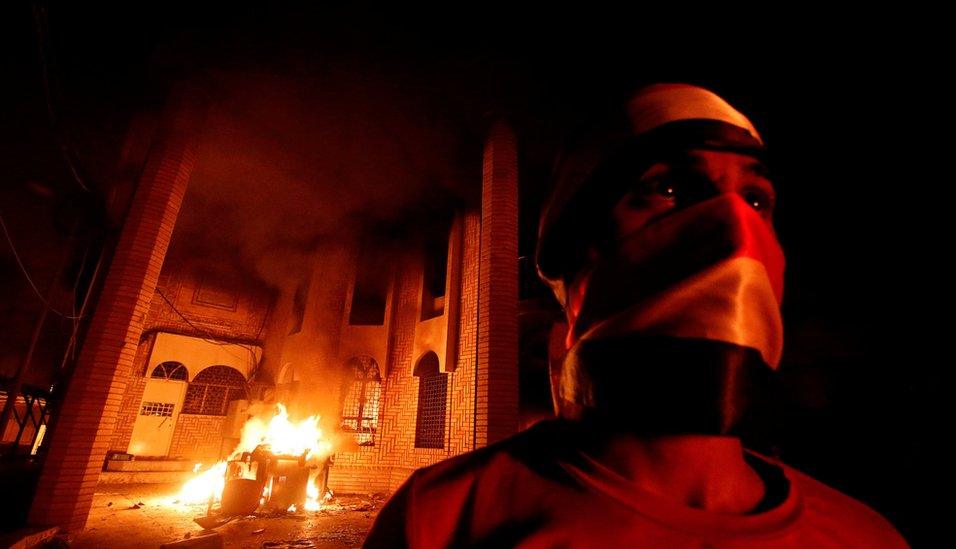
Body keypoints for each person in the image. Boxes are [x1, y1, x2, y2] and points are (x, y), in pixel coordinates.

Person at [363, 83, 908, 547]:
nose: (735, 225)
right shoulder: (441, 523)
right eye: (668, 188)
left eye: (757, 198)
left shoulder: (865, 536)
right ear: (575, 251)